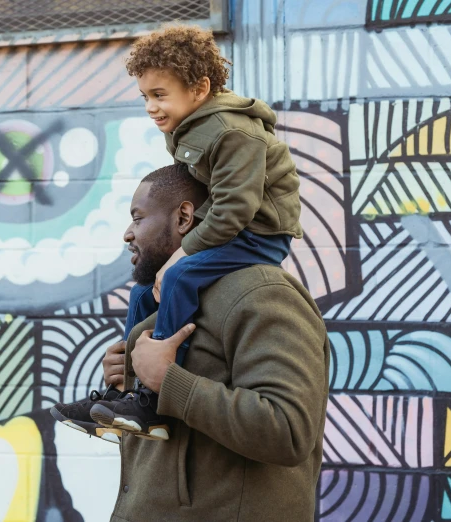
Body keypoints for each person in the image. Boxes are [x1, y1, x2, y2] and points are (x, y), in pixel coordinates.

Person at [51, 24, 303, 441]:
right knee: (142, 289)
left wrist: (181, 254)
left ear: (200, 88)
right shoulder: (185, 126)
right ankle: (125, 394)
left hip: (259, 233)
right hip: (227, 226)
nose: (150, 106)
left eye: (159, 94)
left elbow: (235, 209)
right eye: (145, 96)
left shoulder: (232, 132)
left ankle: (155, 394)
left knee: (179, 275)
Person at [111, 165, 327, 521]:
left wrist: (167, 381)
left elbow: (287, 431)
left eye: (137, 218)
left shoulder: (261, 293)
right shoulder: (174, 301)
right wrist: (129, 384)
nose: (127, 234)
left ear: (183, 217)